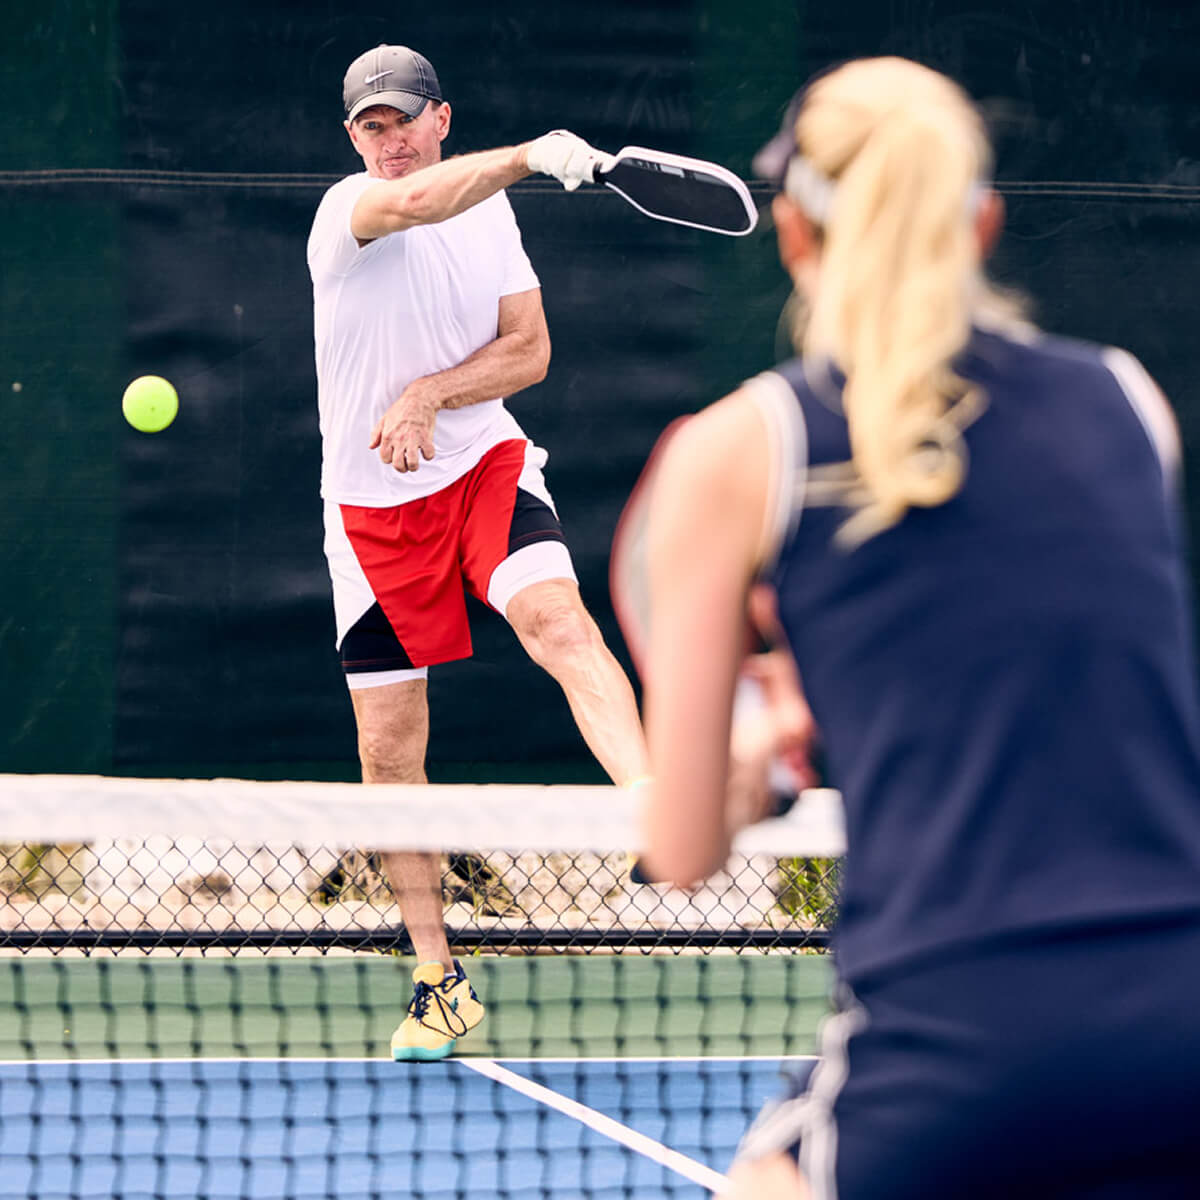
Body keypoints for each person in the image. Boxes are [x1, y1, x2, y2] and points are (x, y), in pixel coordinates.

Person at [636, 56, 1200, 1199]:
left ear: (791, 231)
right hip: (1179, 1031)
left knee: (767, 1176)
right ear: (982, 224)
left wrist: (755, 755)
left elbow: (682, 849)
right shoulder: (1132, 402)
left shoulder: (748, 449)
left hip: (959, 1050)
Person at [307, 43, 648, 1061]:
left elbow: (529, 351)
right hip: (368, 513)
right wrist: (535, 156)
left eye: (404, 119)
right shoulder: (348, 210)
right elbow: (415, 208)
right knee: (388, 747)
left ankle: (652, 812)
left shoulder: (489, 218)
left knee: (557, 620)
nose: (390, 140)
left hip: (481, 471)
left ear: (439, 117)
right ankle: (436, 977)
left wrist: (431, 393)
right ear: (353, 138)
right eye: (371, 125)